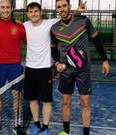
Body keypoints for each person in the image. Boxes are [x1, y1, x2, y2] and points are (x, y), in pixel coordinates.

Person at [24, 2, 86, 135]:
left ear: (41, 12)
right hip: (30, 68)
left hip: (46, 69)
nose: (33, 14)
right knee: (33, 99)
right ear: (27, 14)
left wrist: (79, 11)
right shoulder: (24, 26)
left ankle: (45, 127)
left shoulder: (50, 24)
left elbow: (67, 16)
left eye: (36, 11)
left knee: (47, 100)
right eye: (30, 12)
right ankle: (36, 125)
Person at [50, 0, 110, 135]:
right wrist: (57, 63)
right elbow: (53, 50)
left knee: (85, 102)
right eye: (59, 7)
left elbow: (96, 40)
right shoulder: (54, 29)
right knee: (66, 101)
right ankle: (65, 132)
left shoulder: (83, 21)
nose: (62, 9)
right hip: (65, 71)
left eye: (64, 6)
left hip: (83, 70)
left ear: (69, 7)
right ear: (56, 9)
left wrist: (105, 59)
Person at [0, 0, 26, 134]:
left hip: (15, 66)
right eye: (2, 7)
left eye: (8, 7)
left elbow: (31, 43)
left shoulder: (20, 26)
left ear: (12, 8)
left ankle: (17, 124)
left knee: (17, 95)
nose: (5, 10)